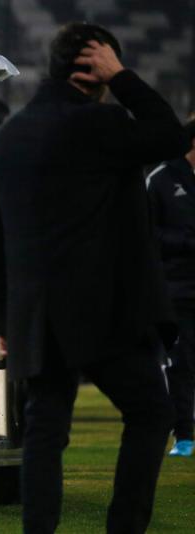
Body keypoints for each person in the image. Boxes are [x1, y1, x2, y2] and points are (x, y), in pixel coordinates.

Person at [0, 22, 188, 533]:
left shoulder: (9, 138)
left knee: (46, 430)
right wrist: (125, 80)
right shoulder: (102, 126)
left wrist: (7, 316)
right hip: (104, 310)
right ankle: (124, 526)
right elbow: (172, 134)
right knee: (151, 412)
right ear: (96, 68)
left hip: (37, 314)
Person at [147, 118, 195, 458]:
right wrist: (187, 241)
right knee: (182, 362)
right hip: (176, 289)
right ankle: (184, 435)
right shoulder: (162, 179)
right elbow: (146, 233)